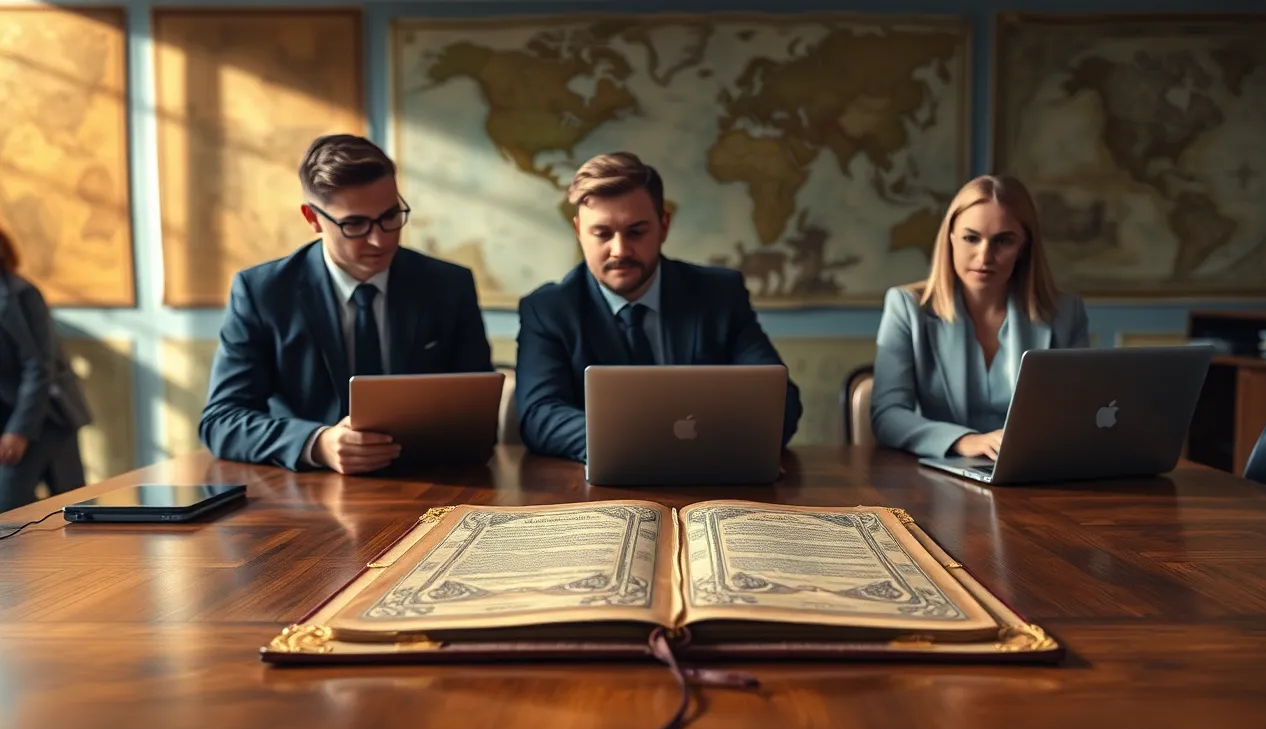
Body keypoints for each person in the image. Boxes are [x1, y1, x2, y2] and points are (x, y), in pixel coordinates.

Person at [198, 134, 493, 474]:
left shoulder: (449, 286)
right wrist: (317, 443)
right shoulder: (263, 293)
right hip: (307, 490)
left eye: (390, 216)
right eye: (355, 224)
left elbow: (479, 417)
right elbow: (221, 420)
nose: (379, 239)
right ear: (312, 219)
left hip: (431, 479)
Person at [514, 151, 802, 462]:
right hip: (604, 484)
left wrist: (694, 446)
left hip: (707, 477)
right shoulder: (548, 310)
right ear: (578, 232)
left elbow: (779, 400)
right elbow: (539, 415)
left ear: (664, 226)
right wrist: (648, 443)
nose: (620, 250)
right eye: (602, 234)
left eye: (636, 232)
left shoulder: (719, 295)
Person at [870, 174, 1089, 460]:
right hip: (942, 468)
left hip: (1032, 467)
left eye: (1003, 241)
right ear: (950, 238)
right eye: (971, 238)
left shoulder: (1065, 313)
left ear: (1024, 246)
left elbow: (1079, 413)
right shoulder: (908, 307)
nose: (984, 256)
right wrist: (965, 441)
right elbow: (888, 414)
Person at [0, 228, 92, 512]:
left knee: (71, 507)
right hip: (10, 415)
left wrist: (19, 431)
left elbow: (38, 366)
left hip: (46, 415)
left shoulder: (20, 296)